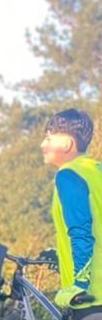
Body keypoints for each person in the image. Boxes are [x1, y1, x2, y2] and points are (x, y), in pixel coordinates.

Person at [41, 109, 102, 309]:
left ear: (67, 143)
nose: (43, 145)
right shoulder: (96, 170)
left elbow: (81, 232)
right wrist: (60, 254)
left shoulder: (68, 175)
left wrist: (79, 286)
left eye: (49, 138)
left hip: (92, 299)